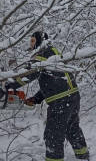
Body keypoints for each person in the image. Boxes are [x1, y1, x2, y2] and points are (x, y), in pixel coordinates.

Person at [5, 31, 90, 161]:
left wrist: (7, 86)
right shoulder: (54, 53)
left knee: (53, 134)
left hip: (61, 101)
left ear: (40, 41)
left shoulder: (42, 55)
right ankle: (83, 155)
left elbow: (29, 75)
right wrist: (37, 98)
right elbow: (54, 80)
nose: (31, 44)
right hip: (73, 97)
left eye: (33, 41)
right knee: (72, 128)